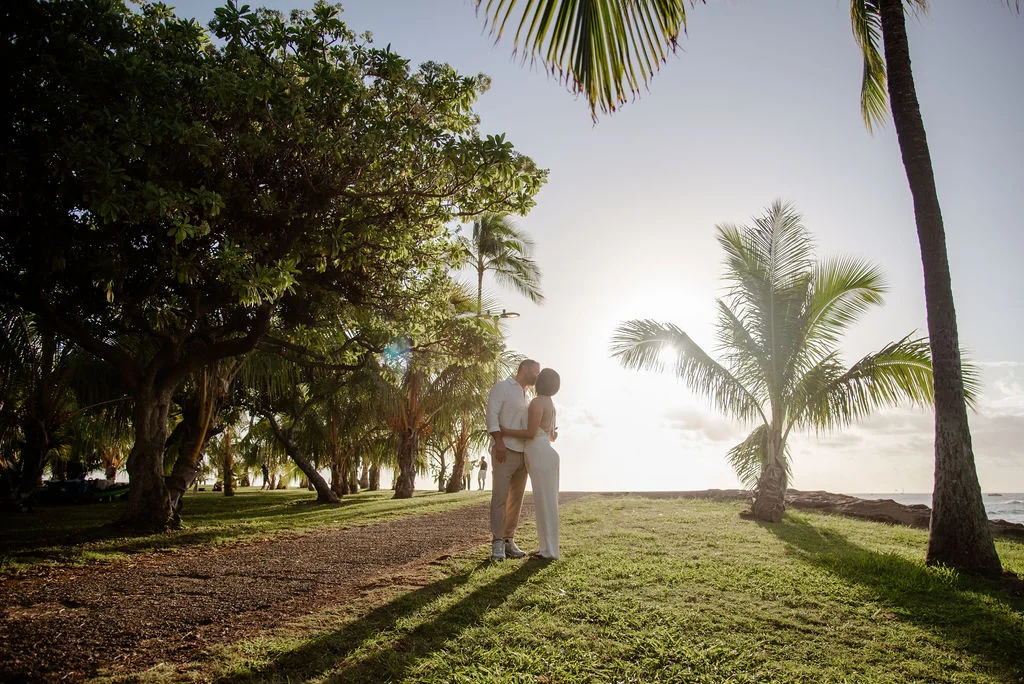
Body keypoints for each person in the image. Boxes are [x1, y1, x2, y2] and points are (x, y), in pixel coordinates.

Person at [501, 367, 561, 560]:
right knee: (548, 504)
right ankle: (548, 549)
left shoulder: (537, 402)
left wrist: (505, 430)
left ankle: (548, 552)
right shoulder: (551, 404)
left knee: (544, 504)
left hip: (539, 454)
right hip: (547, 453)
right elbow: (552, 436)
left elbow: (530, 433)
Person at [485, 359, 541, 561]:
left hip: (523, 454)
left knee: (515, 500)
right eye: (536, 371)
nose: (538, 376)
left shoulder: (528, 396)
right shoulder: (502, 387)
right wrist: (498, 441)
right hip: (504, 450)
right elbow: (491, 415)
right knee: (500, 497)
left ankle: (509, 540)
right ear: (524, 369)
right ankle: (497, 542)